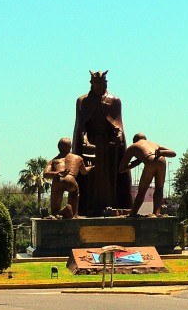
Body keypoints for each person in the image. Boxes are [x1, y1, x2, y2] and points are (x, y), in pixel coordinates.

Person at [73, 70, 131, 215]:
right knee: (89, 176)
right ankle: (87, 207)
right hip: (89, 145)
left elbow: (118, 124)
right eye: (95, 83)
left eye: (101, 82)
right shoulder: (82, 101)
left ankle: (112, 205)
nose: (98, 85)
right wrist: (84, 140)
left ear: (105, 83)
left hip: (108, 147)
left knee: (109, 178)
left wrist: (119, 135)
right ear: (91, 83)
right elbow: (81, 125)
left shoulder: (114, 100)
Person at [119, 133, 177, 216]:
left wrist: (136, 162)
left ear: (134, 141)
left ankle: (133, 213)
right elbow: (173, 153)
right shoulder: (154, 144)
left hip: (150, 160)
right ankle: (156, 212)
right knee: (159, 188)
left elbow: (121, 168)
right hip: (162, 160)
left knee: (142, 191)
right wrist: (161, 152)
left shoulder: (133, 146)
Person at [44, 137, 94, 218]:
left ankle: (56, 213)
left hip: (57, 180)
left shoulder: (53, 161)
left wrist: (57, 173)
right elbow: (84, 172)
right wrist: (90, 167)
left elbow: (45, 174)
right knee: (75, 191)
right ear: (70, 147)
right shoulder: (78, 158)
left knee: (54, 209)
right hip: (70, 180)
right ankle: (73, 213)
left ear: (58, 147)